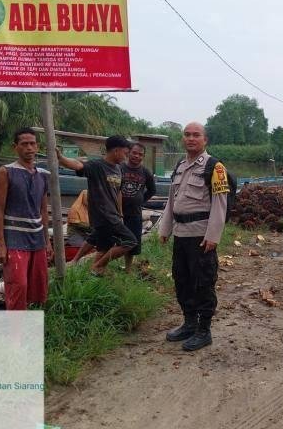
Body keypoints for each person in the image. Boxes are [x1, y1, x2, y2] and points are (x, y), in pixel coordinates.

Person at [159, 122, 228, 351]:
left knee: (203, 283)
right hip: (181, 234)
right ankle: (189, 324)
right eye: (187, 135)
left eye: (196, 135)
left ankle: (203, 330)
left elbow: (220, 204)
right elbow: (172, 200)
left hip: (201, 236)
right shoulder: (179, 165)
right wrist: (164, 229)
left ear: (205, 140)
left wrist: (213, 236)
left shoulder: (214, 167)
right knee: (182, 280)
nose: (191, 138)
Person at [56, 136, 137, 276]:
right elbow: (78, 165)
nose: (126, 156)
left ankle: (85, 268)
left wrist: (120, 213)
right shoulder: (97, 166)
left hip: (113, 215)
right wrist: (61, 158)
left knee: (99, 242)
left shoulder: (118, 169)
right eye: (125, 153)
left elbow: (118, 192)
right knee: (130, 241)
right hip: (103, 214)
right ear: (116, 150)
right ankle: (97, 267)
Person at [0, 127, 52, 310]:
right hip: (14, 239)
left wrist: (47, 240)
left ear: (37, 146)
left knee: (37, 287)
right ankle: (16, 335)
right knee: (18, 286)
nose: (29, 148)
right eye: (24, 144)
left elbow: (43, 210)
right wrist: (0, 244)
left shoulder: (42, 175)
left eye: (32, 144)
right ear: (15, 147)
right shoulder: (6, 172)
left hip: (37, 239)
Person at [121, 142, 156, 272]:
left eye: (140, 154)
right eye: (134, 153)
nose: (137, 156)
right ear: (129, 152)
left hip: (134, 213)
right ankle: (102, 266)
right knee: (110, 240)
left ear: (143, 156)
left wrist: (141, 200)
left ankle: (128, 269)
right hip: (116, 212)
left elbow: (152, 190)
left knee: (132, 243)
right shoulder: (120, 168)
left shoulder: (145, 172)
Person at [67, 190, 91, 262]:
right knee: (81, 247)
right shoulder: (75, 208)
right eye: (87, 198)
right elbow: (77, 224)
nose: (88, 200)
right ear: (83, 198)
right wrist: (91, 227)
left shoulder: (88, 209)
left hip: (86, 233)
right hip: (75, 234)